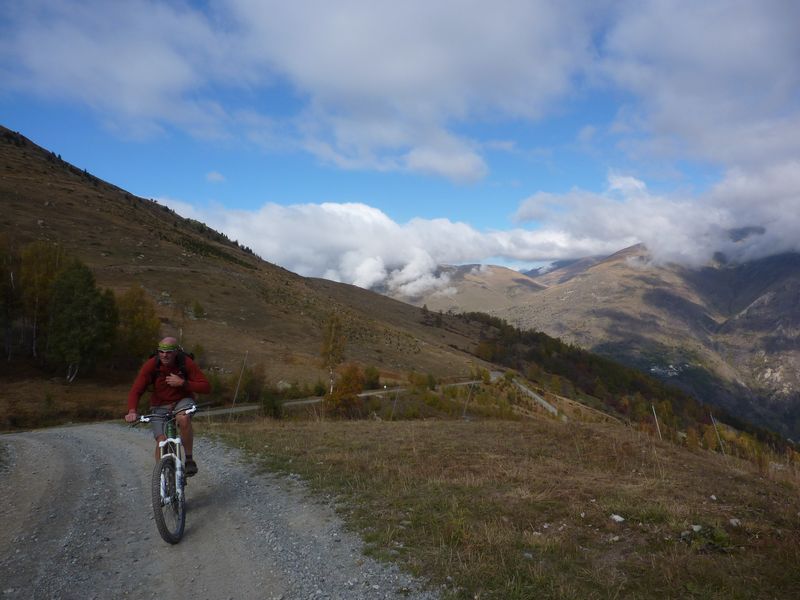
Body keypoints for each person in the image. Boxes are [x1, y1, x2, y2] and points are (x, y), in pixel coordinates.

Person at [125, 336, 211, 476]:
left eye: (169, 352)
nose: (164, 355)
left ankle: (189, 459)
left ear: (176, 352)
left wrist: (183, 383)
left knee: (183, 418)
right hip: (159, 405)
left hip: (182, 401)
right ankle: (161, 477)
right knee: (162, 441)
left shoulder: (186, 362)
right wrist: (132, 410)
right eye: (161, 351)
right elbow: (136, 390)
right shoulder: (152, 365)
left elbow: (206, 387)